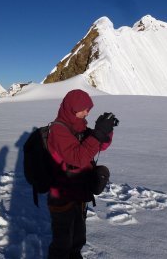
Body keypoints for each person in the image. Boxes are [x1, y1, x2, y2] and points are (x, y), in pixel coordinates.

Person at [47, 89, 116, 259]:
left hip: (79, 192)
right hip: (61, 195)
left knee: (78, 238)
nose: (87, 112)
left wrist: (105, 130)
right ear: (72, 109)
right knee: (62, 243)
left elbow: (99, 146)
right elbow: (77, 158)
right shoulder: (58, 130)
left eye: (89, 108)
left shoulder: (80, 126)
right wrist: (97, 134)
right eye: (84, 109)